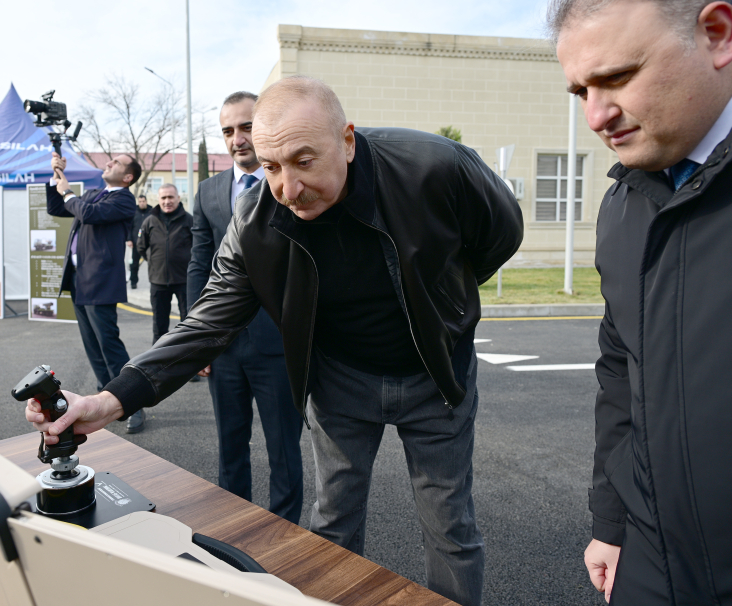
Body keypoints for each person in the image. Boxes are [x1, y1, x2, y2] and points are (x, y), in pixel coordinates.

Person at [26, 76, 523, 606]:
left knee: (451, 529)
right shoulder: (257, 219)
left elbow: (501, 235)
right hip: (340, 383)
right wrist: (110, 398)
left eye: (304, 161)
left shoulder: (435, 167)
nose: (287, 188)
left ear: (347, 141)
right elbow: (207, 322)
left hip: (436, 377)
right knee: (333, 523)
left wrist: (441, 300)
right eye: (271, 166)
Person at [550, 0, 732, 603]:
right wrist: (612, 523)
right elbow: (621, 372)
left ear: (716, 35)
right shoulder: (623, 203)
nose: (596, 116)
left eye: (618, 77)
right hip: (651, 560)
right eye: (581, 90)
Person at [187, 90, 304, 524]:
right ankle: (232, 532)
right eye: (228, 130)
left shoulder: (291, 184)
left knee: (283, 451)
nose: (238, 138)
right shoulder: (209, 193)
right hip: (225, 346)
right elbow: (199, 265)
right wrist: (198, 339)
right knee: (230, 446)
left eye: (247, 126)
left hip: (279, 346)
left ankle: (285, 536)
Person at [45, 152, 146, 434]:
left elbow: (89, 213)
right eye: (110, 159)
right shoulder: (92, 193)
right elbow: (58, 207)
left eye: (117, 162)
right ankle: (105, 396)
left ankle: (132, 403)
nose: (109, 162)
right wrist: (56, 178)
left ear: (128, 177)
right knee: (92, 344)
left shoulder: (123, 199)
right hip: (79, 281)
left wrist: (67, 193)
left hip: (100, 282)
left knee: (109, 344)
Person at [136, 184, 193, 344]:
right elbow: (141, 246)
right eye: (163, 198)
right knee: (159, 326)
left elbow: (198, 248)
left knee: (189, 323)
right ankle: (158, 362)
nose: (167, 201)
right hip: (158, 281)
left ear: (178, 198)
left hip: (184, 281)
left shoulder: (189, 220)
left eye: (170, 197)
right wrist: (154, 261)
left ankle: (188, 357)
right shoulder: (149, 221)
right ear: (158, 199)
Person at [129, 194, 151, 290]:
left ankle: (154, 282)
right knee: (134, 264)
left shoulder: (152, 212)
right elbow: (129, 227)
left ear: (146, 201)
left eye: (143, 201)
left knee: (153, 263)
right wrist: (129, 239)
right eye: (140, 201)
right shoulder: (133, 212)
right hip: (136, 242)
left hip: (149, 243)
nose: (142, 203)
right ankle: (133, 282)